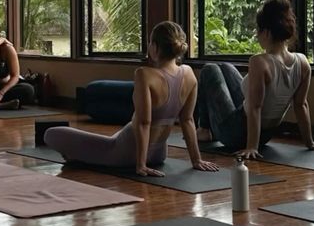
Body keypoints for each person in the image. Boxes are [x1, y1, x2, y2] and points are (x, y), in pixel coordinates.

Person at [44, 22, 218, 175]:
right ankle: (79, 155)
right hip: (159, 153)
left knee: (51, 134)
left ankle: (80, 154)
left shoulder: (144, 74)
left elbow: (144, 123)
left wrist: (140, 164)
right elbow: (188, 120)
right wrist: (196, 160)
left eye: (150, 43)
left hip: (126, 152)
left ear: (155, 47)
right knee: (104, 140)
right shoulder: (189, 74)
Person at [195, 0, 314, 159]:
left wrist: (251, 147)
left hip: (235, 133)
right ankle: (207, 130)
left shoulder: (259, 61)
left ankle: (204, 129)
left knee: (209, 69)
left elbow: (256, 108)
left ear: (266, 32)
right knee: (226, 67)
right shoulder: (303, 62)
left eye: (258, 31)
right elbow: (301, 105)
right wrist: (309, 142)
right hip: (266, 134)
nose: (257, 35)